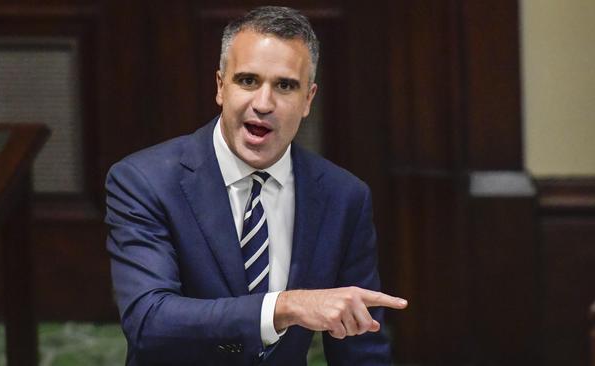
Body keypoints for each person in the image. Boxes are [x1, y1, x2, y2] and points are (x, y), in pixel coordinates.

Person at [105, 6, 407, 365]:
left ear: (308, 99)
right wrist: (285, 307)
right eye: (248, 81)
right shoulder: (144, 181)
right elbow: (148, 320)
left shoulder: (344, 197)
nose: (263, 104)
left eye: (285, 86)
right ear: (220, 86)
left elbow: (361, 349)